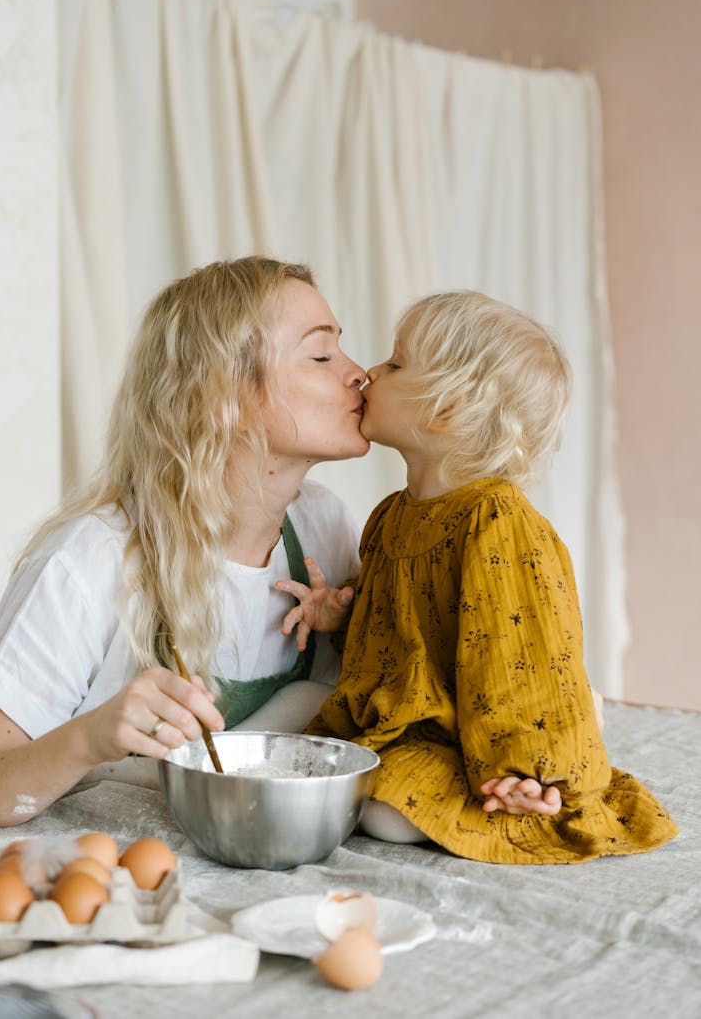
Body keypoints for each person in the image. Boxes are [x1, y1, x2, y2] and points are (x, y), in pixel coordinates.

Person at [0, 257, 368, 828]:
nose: (358, 373)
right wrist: (90, 737)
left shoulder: (326, 526)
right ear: (227, 391)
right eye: (321, 355)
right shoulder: (90, 558)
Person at [284, 290, 678, 864]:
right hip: (415, 723)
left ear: (446, 410)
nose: (369, 372)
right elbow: (399, 649)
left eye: (394, 365)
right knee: (313, 743)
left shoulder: (496, 522)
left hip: (478, 734)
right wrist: (344, 618)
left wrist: (528, 771)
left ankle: (575, 728)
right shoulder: (389, 517)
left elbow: (524, 657)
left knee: (383, 814)